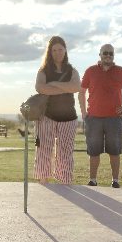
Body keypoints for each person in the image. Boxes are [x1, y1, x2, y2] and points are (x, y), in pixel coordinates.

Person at [78, 44, 122, 188]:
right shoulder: (90, 71)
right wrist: (84, 112)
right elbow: (81, 91)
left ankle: (115, 181)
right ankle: (93, 180)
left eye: (111, 53)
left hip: (114, 119)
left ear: (113, 55)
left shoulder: (120, 71)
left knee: (114, 151)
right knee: (94, 151)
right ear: (100, 54)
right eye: (105, 53)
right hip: (93, 118)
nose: (108, 55)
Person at [34, 36, 81, 185]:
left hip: (69, 117)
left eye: (60, 49)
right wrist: (64, 87)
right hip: (47, 116)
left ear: (65, 50)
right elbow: (40, 88)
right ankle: (43, 181)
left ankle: (65, 182)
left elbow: (76, 87)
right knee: (44, 150)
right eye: (54, 50)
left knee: (65, 152)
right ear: (50, 52)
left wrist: (53, 84)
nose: (57, 53)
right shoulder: (43, 70)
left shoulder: (72, 70)